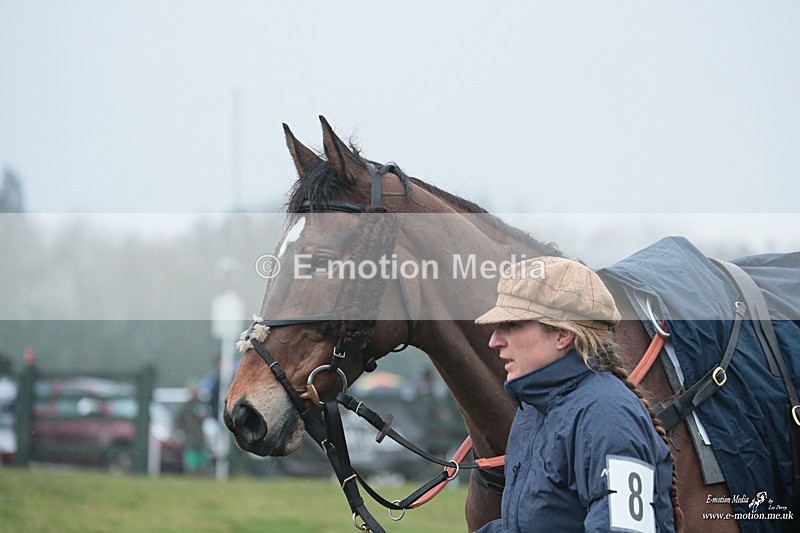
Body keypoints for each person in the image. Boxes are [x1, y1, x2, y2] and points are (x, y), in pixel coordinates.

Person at [474, 256, 680, 532]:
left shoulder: (607, 416)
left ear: (562, 334)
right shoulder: (533, 412)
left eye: (511, 325)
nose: (494, 341)